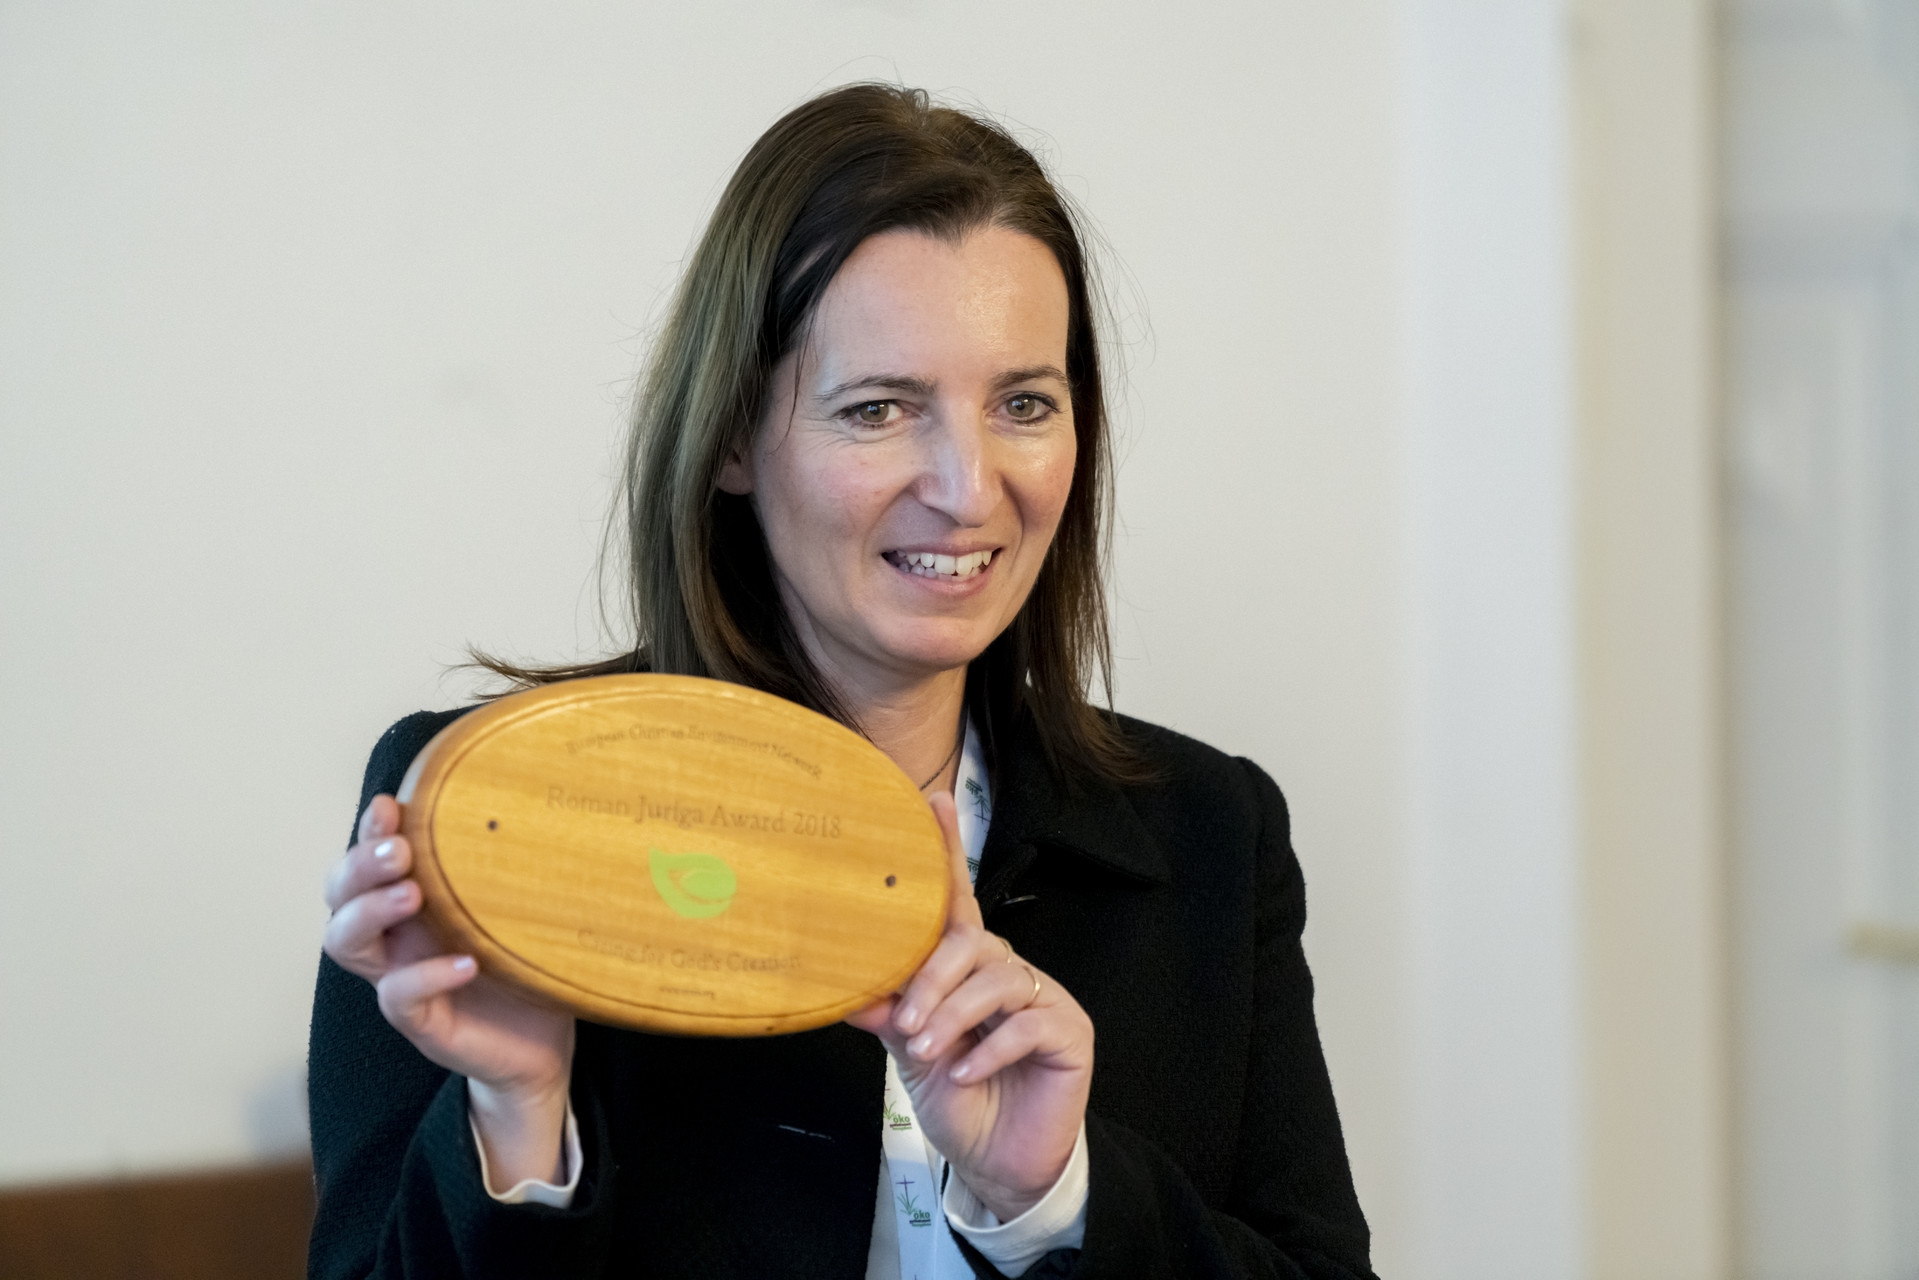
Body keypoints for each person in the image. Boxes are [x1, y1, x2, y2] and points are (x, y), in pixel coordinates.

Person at [308, 83, 1376, 1280]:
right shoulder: (494, 812)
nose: (968, 488)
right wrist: (514, 1118)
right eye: (877, 409)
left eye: (1023, 402)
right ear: (728, 438)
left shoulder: (1210, 829)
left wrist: (1053, 1198)